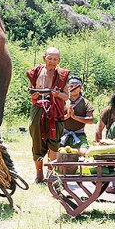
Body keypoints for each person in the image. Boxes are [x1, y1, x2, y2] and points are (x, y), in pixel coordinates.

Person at [25, 47, 70, 183]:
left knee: (54, 139)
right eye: (49, 58)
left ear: (59, 61)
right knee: (36, 134)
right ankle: (39, 174)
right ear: (44, 58)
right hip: (38, 108)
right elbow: (30, 90)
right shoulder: (36, 72)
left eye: (55, 59)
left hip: (55, 109)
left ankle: (51, 173)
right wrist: (33, 94)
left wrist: (57, 94)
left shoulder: (62, 75)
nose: (52, 62)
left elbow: (66, 96)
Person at [61, 76, 94, 156]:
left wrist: (75, 117)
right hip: (63, 134)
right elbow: (56, 118)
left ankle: (72, 151)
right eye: (71, 86)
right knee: (54, 151)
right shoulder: (63, 101)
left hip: (79, 134)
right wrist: (67, 116)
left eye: (76, 86)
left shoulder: (86, 102)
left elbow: (90, 120)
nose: (73, 88)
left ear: (80, 87)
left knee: (84, 152)